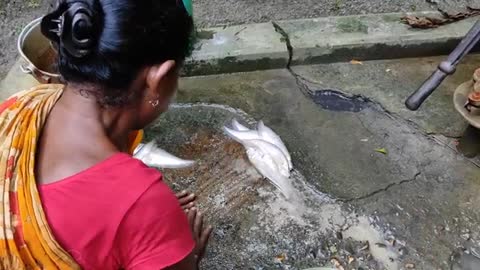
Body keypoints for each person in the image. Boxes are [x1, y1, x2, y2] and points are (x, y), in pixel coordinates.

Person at [0, 0, 212, 269]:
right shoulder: (143, 207)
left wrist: (138, 218)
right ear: (158, 79)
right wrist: (180, 253)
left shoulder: (19, 107)